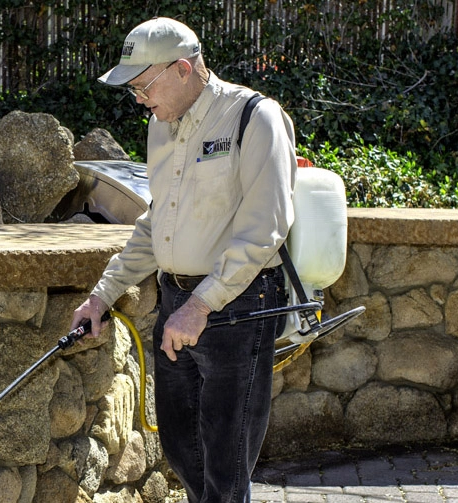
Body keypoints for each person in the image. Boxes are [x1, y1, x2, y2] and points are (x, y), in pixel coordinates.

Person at [70, 17, 297, 503]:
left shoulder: (254, 118)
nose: (138, 98)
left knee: (226, 464)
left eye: (142, 85)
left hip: (237, 306)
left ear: (182, 69)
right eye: (131, 89)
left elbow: (264, 228)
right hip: (178, 302)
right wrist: (101, 295)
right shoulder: (160, 127)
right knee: (180, 450)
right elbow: (155, 224)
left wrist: (202, 304)